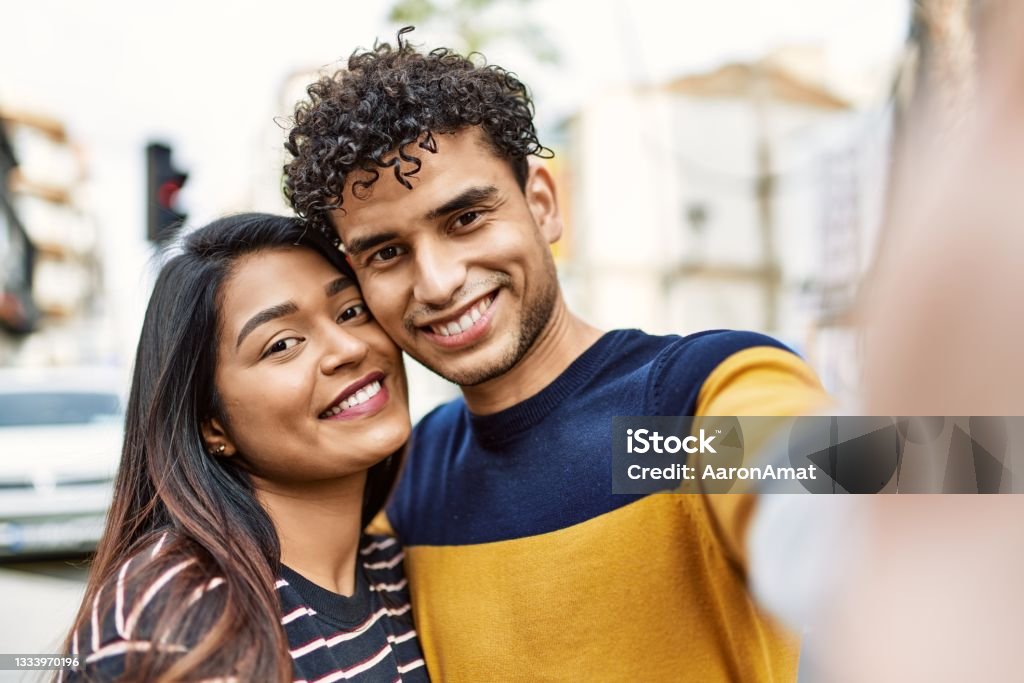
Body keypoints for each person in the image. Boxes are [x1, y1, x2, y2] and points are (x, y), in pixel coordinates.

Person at [284, 31, 830, 681]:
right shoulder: (414, 476)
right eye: (387, 252)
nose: (436, 281)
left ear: (541, 203)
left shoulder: (661, 422)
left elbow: (839, 480)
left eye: (464, 219)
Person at [58, 214, 428, 682]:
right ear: (211, 423)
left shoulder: (397, 569)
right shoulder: (182, 612)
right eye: (283, 344)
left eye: (351, 311)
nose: (347, 348)